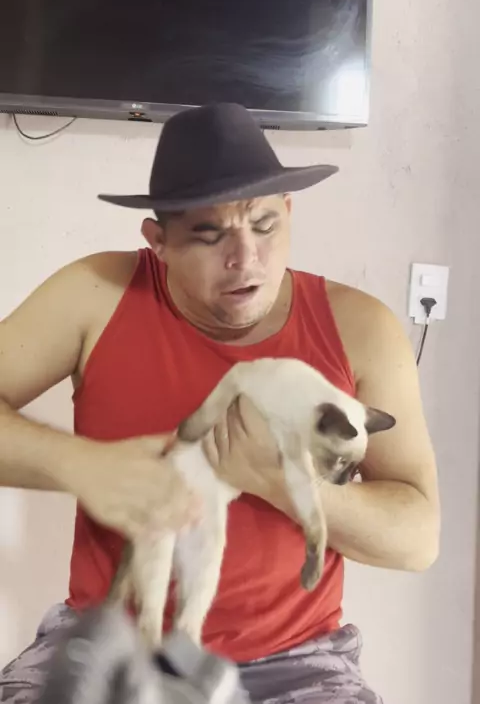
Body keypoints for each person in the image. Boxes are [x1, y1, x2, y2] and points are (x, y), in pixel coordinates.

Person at [0, 102, 439, 704]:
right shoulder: (96, 292)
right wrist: (79, 465)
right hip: (117, 645)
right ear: (158, 241)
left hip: (301, 665)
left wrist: (277, 480)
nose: (245, 258)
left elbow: (418, 538)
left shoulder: (362, 328)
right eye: (210, 236)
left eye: (264, 225)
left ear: (289, 211)